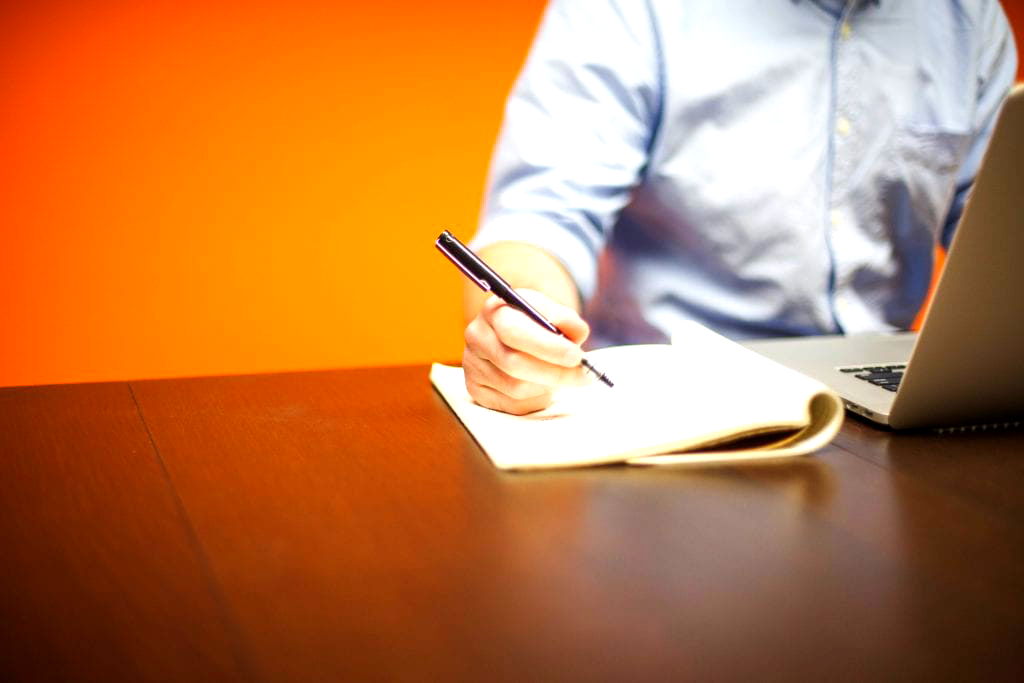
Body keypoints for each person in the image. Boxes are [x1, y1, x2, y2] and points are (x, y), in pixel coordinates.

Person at [461, 0, 1018, 415]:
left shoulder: (970, 19)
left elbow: (1000, 233)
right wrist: (525, 322)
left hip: (893, 400)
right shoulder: (631, 10)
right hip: (668, 404)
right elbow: (541, 217)